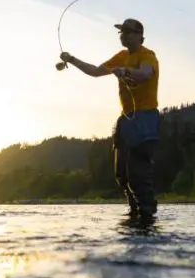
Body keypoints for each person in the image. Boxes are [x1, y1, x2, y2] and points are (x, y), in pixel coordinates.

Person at [59, 17, 161, 220]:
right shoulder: (121, 55)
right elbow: (96, 71)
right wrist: (71, 59)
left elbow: (145, 74)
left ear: (141, 36)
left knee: (138, 172)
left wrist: (125, 71)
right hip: (126, 119)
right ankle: (134, 212)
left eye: (129, 31)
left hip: (145, 118)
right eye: (122, 32)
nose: (125, 35)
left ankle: (147, 214)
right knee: (122, 174)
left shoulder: (147, 55)